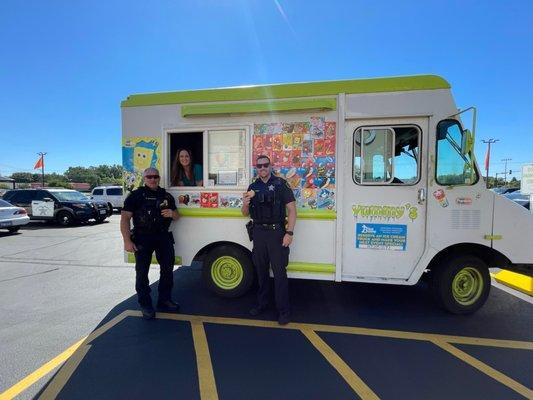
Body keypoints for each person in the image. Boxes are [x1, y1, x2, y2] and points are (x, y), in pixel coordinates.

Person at [241, 155, 297, 325]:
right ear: (256, 168)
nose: (262, 168)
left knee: (280, 273)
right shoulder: (253, 186)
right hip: (258, 233)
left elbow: (292, 211)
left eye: (265, 165)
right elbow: (244, 213)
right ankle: (262, 304)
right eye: (259, 166)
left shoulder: (280, 184)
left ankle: (283, 311)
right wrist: (245, 202)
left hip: (277, 233)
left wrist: (289, 233)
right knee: (261, 271)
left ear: (270, 166)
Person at [120, 167, 180, 320]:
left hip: (163, 236)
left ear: (159, 178)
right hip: (142, 237)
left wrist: (172, 214)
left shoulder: (166, 195)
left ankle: (164, 300)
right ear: (144, 178)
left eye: (155, 177)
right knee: (142, 273)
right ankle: (145, 304)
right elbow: (125, 218)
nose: (153, 179)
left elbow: (177, 215)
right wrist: (127, 241)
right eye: (149, 177)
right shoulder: (136, 195)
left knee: (167, 270)